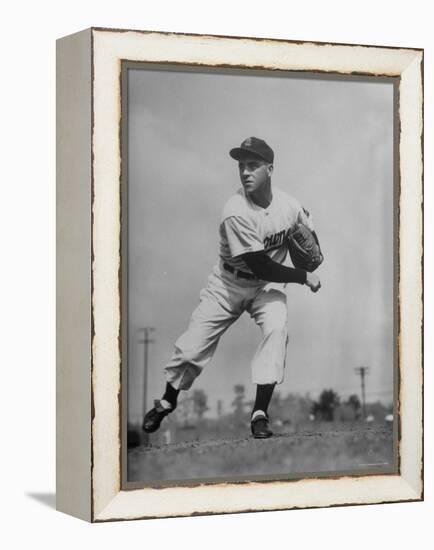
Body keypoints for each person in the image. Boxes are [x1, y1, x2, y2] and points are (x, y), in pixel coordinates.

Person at [142, 137, 322, 439]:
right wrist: (303, 276)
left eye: (253, 165)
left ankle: (260, 413)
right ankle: (166, 402)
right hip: (228, 284)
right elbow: (258, 264)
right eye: (241, 166)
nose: (245, 172)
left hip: (268, 287)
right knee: (192, 348)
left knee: (277, 330)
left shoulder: (290, 206)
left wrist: (313, 256)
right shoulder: (234, 210)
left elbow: (313, 246)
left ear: (270, 169)